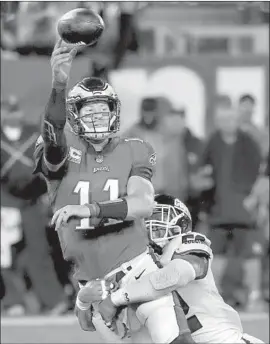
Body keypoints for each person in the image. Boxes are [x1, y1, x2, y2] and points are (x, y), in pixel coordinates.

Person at [33, 39, 194, 344]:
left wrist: (92, 209)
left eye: (102, 109)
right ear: (75, 117)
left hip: (139, 268)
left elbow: (143, 203)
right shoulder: (63, 153)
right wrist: (59, 83)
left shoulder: (134, 149)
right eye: (89, 111)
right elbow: (52, 134)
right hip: (92, 282)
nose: (96, 116)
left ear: (114, 112)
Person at [86, 195, 264, 344]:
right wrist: (100, 322)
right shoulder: (136, 277)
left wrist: (115, 299)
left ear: (182, 224)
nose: (150, 225)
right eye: (146, 220)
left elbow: (175, 275)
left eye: (158, 218)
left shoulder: (187, 242)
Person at [1, 95, 67, 315]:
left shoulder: (34, 135)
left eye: (14, 110)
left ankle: (53, 299)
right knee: (6, 256)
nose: (11, 115)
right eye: (6, 110)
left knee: (39, 251)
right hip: (5, 202)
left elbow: (51, 165)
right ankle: (14, 301)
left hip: (32, 201)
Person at [197, 102, 262, 308]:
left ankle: (255, 296)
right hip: (218, 212)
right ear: (217, 122)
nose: (227, 124)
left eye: (231, 119)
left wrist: (254, 198)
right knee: (216, 255)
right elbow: (202, 175)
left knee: (250, 255)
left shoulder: (250, 143)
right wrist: (204, 201)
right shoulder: (212, 143)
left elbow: (262, 175)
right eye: (223, 120)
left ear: (237, 120)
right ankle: (215, 297)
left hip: (245, 213)